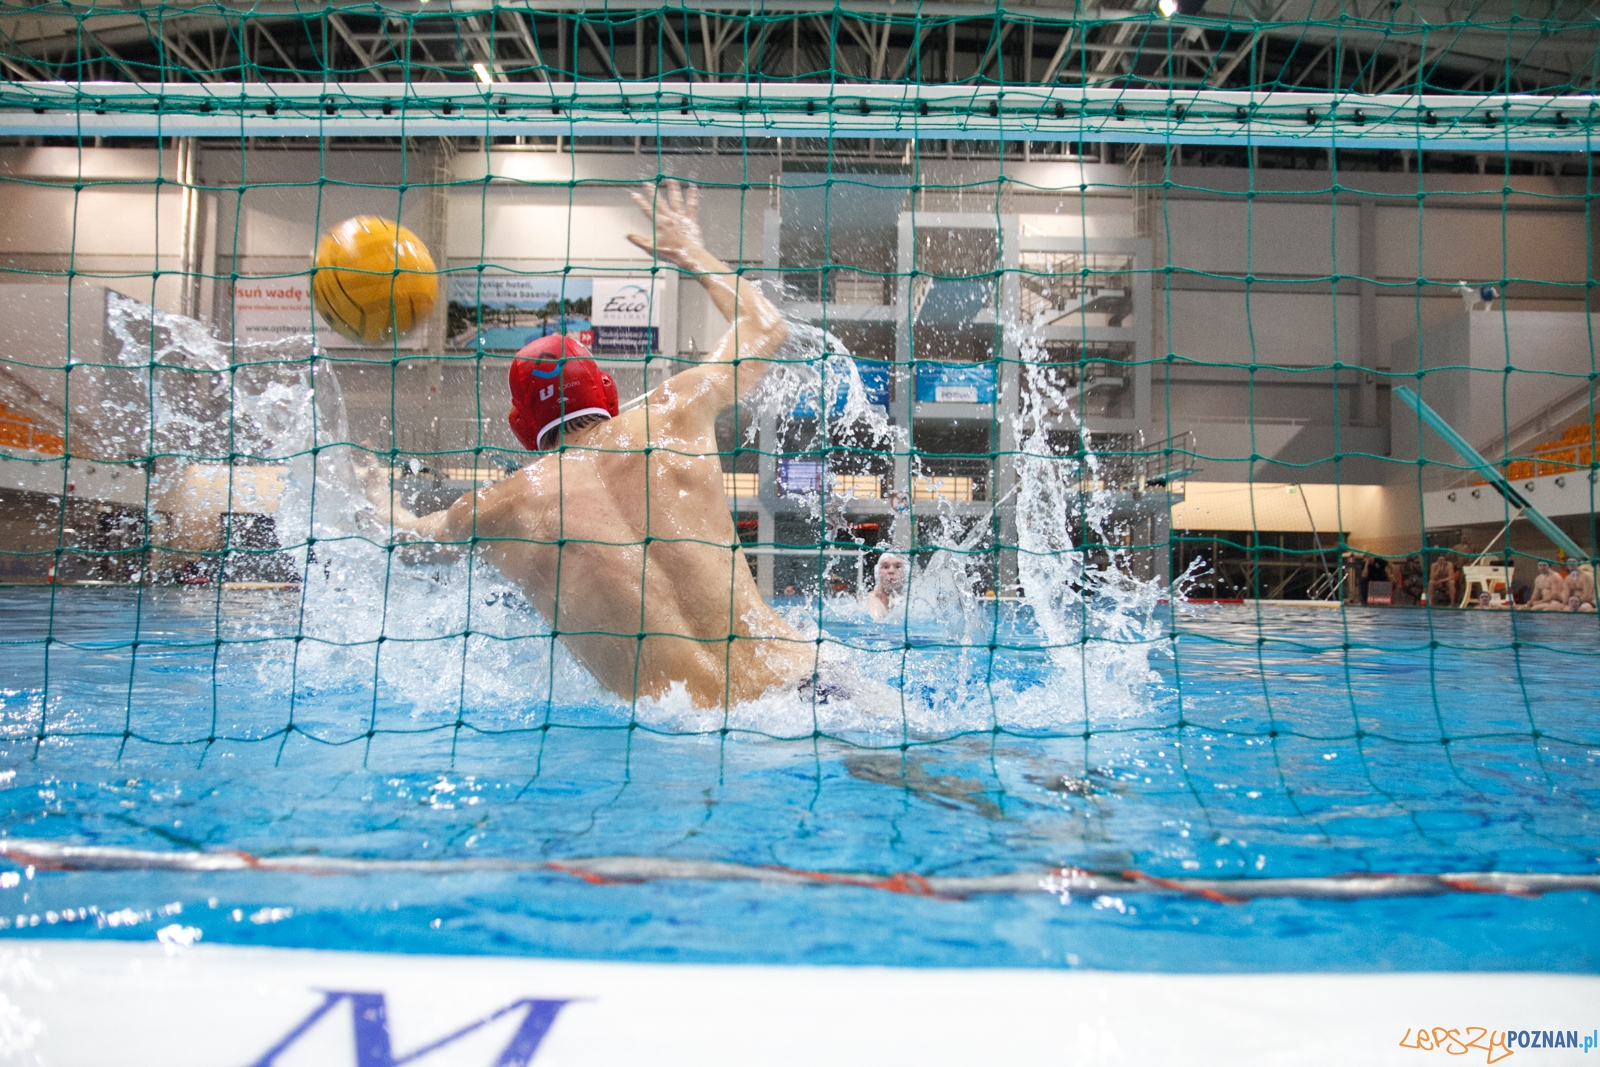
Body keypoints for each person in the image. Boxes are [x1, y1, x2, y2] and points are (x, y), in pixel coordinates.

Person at [356, 180, 820, 710]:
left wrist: (377, 494)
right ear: (608, 392)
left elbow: (406, 541)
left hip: (700, 734)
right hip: (810, 684)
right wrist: (687, 248)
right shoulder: (673, 414)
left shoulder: (498, 508)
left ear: (521, 427)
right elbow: (764, 324)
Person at [863, 552, 909, 622]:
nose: (891, 571)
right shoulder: (870, 599)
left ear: (906, 572)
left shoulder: (912, 599)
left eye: (898, 567)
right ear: (877, 572)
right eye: (885, 566)